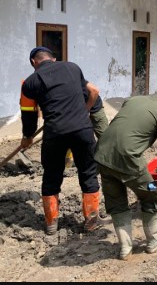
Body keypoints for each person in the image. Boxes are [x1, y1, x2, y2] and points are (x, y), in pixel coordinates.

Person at [95, 72, 157, 260]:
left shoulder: (133, 100)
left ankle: (125, 247)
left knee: (116, 201)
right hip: (129, 161)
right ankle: (155, 239)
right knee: (153, 193)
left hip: (102, 156)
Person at [20, 47, 101, 235]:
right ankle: (91, 220)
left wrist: (28, 137)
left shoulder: (30, 83)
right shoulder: (73, 68)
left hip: (55, 133)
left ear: (34, 62)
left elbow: (28, 115)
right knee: (88, 173)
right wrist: (84, 111)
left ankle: (51, 223)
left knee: (51, 176)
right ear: (53, 59)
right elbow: (90, 92)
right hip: (82, 129)